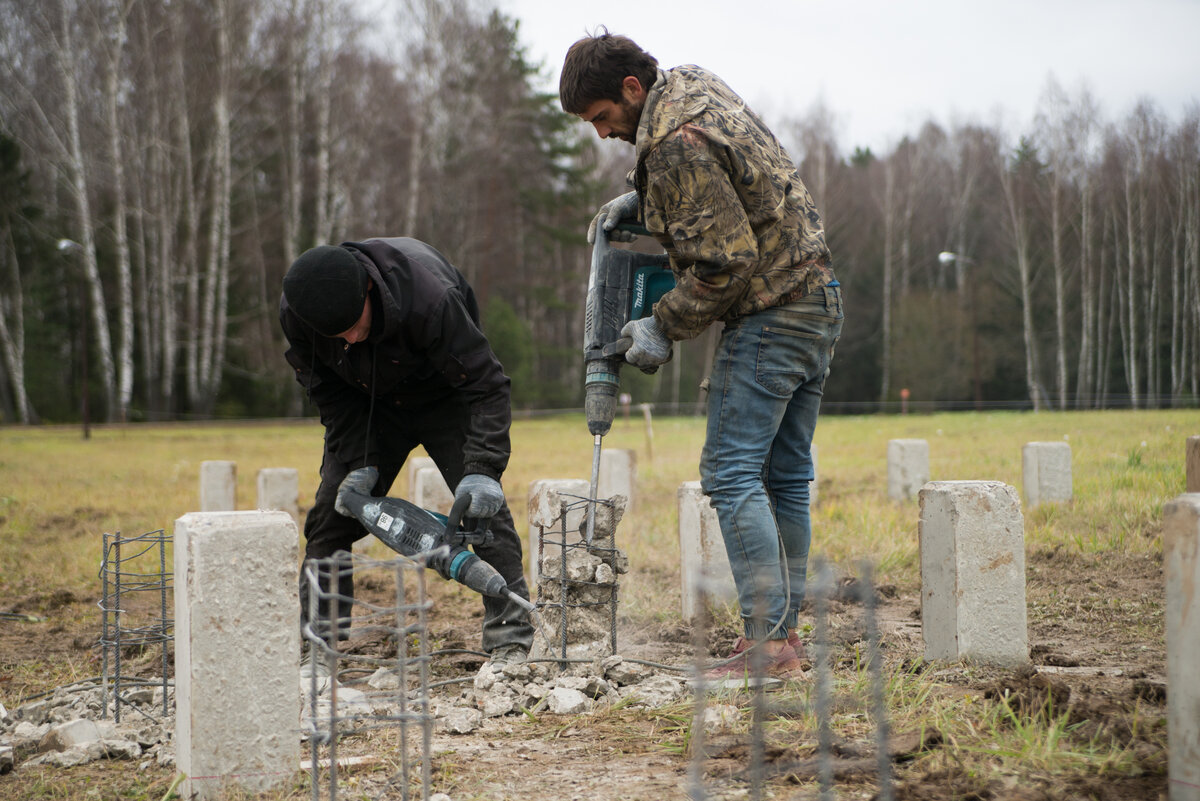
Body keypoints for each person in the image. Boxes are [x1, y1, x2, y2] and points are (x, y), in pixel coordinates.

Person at [560, 32, 843, 680]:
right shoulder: (692, 84)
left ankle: (769, 647)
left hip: (771, 313)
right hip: (818, 297)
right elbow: (736, 185)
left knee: (730, 472)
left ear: (631, 90)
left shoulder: (669, 143)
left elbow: (724, 262)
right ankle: (785, 639)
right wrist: (645, 199)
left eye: (602, 118)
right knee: (785, 476)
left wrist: (661, 325)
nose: (602, 134)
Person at [280, 237, 534, 675]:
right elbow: (326, 391)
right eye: (336, 335)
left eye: (353, 325)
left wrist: (483, 469)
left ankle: (511, 639)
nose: (348, 338)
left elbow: (487, 385)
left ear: (368, 292)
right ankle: (320, 646)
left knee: (483, 516)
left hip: (445, 396)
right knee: (328, 520)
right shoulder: (299, 313)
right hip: (367, 409)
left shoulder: (430, 300)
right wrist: (359, 461)